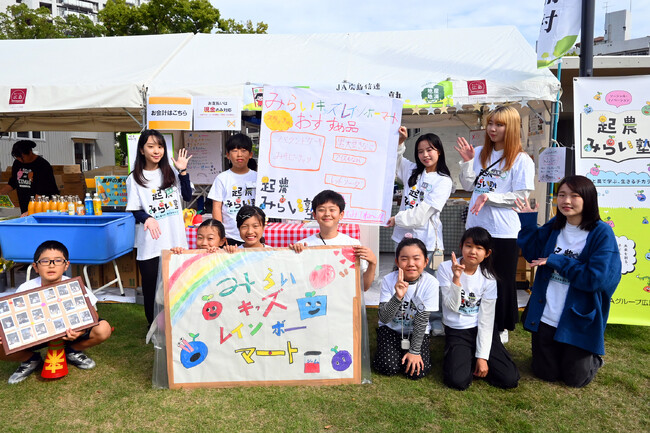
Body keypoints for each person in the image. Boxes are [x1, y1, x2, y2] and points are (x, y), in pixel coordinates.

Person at [515, 175, 621, 388]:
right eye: (561, 195)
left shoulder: (601, 233)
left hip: (576, 318)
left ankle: (593, 358)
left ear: (588, 199)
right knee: (545, 373)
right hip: (547, 315)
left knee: (575, 379)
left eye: (574, 195)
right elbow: (533, 254)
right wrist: (527, 223)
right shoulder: (556, 224)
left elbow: (595, 278)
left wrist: (557, 261)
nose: (566, 201)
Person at [455, 105, 535, 342]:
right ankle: (473, 320)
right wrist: (468, 162)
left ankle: (500, 326)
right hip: (476, 226)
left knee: (501, 279)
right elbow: (469, 185)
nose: (492, 128)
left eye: (499, 124)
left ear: (511, 128)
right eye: (491, 123)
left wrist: (491, 197)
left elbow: (521, 197)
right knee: (475, 276)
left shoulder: (521, 160)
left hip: (503, 230)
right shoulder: (480, 152)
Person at [0, 240, 112, 384]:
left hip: (68, 333)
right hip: (35, 335)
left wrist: (80, 330)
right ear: (35, 267)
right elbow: (14, 317)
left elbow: (93, 315)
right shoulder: (25, 288)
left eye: (58, 260)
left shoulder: (75, 285)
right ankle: (30, 359)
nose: (51, 265)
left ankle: (72, 351)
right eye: (45, 261)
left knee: (103, 328)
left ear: (66, 265)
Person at [437, 227, 520, 390]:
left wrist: (482, 357)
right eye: (469, 245)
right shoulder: (446, 268)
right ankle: (465, 356)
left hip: (481, 329)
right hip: (458, 330)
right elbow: (452, 306)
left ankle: (476, 356)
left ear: (487, 253)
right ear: (461, 246)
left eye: (479, 248)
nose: (473, 251)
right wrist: (456, 278)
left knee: (509, 379)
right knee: (458, 381)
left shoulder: (489, 278)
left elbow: (486, 320)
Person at [126, 129, 193, 326]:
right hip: (151, 243)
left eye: (160, 146)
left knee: (178, 285)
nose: (156, 151)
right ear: (141, 150)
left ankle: (180, 324)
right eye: (151, 146)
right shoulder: (134, 178)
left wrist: (182, 171)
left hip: (176, 240)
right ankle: (154, 326)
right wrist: (147, 217)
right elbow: (134, 209)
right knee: (151, 288)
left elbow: (188, 196)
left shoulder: (170, 172)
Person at [372, 238, 438, 380]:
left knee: (416, 372)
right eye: (404, 259)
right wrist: (398, 297)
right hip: (391, 329)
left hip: (417, 332)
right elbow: (384, 318)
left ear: (426, 262)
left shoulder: (431, 283)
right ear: (397, 262)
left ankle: (409, 353)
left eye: (416, 259)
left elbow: (422, 320)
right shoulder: (389, 280)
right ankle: (395, 354)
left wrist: (414, 351)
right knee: (388, 367)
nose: (411, 264)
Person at [289, 190, 377, 291]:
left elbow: (363, 287)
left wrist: (373, 263)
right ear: (314, 215)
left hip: (344, 304)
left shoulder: (353, 245)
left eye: (332, 210)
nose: (327, 214)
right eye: (321, 210)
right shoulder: (304, 245)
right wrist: (294, 255)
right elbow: (296, 283)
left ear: (341, 214)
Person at [387, 127, 453, 259]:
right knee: (402, 277)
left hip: (427, 244)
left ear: (439, 151)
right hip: (401, 239)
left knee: (428, 279)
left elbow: (422, 215)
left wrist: (397, 219)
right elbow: (393, 160)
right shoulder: (412, 170)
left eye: (429, 150)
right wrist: (400, 142)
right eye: (420, 152)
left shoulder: (444, 181)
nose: (425, 155)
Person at [208, 133, 257, 246]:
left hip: (253, 234)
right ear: (228, 155)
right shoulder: (222, 178)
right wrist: (219, 233)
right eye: (234, 151)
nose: (239, 155)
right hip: (230, 235)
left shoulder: (258, 177)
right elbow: (217, 206)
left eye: (244, 150)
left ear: (250, 154)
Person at [0, 140, 59, 214]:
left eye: (22, 157)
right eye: (17, 157)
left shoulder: (43, 165)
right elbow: (13, 182)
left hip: (42, 207)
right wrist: (2, 192)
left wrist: (31, 211)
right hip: (25, 205)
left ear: (30, 152)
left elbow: (41, 191)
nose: (20, 160)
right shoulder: (17, 163)